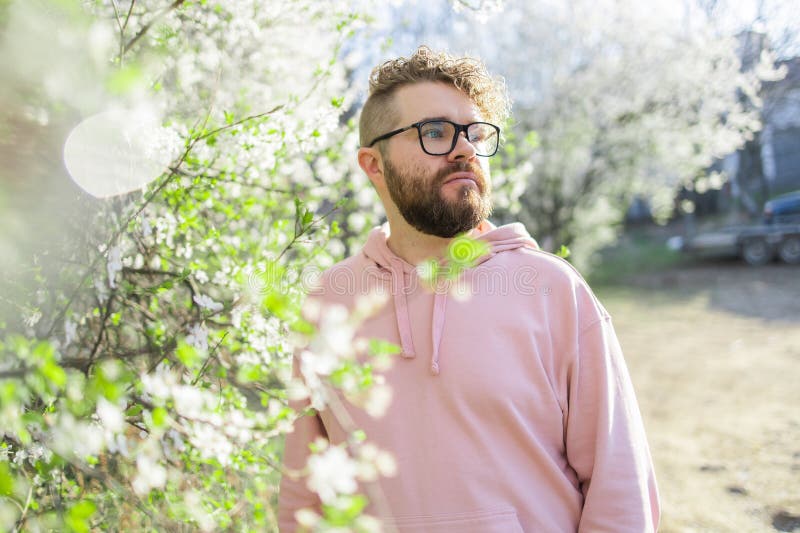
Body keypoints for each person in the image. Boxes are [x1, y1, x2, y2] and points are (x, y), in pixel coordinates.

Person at [278, 46, 660, 532]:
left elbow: (620, 487)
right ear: (373, 165)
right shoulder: (329, 302)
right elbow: (304, 489)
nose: (465, 149)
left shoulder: (553, 291)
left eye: (476, 134)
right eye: (434, 131)